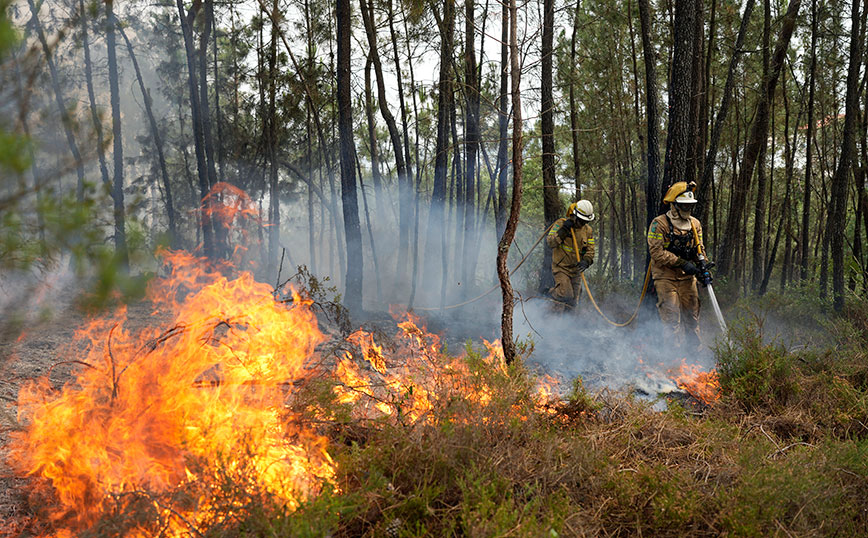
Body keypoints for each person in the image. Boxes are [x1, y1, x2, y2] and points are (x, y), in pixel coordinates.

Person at [646, 181, 712, 350]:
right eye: (684, 206)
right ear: (674, 206)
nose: (687, 210)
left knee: (692, 317)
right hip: (665, 277)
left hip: (687, 278)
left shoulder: (695, 224)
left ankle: (693, 355)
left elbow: (699, 248)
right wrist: (681, 262)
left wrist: (702, 269)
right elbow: (656, 253)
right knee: (671, 319)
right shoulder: (659, 224)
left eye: (690, 206)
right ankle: (673, 359)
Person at [546, 200, 596, 307]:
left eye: (586, 221)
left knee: (573, 302)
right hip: (561, 267)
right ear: (575, 216)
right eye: (582, 221)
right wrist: (563, 230)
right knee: (566, 294)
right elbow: (550, 242)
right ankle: (548, 294)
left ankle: (568, 322)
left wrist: (586, 261)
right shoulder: (561, 224)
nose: (583, 224)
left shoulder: (588, 231)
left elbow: (590, 250)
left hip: (576, 270)